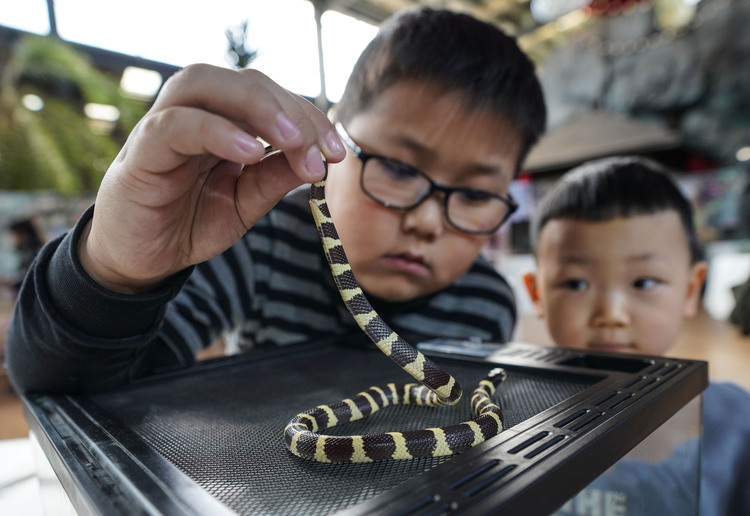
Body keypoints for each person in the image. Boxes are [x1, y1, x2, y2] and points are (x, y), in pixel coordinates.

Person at [6, 7, 546, 394]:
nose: (428, 223)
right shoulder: (254, 245)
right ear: (333, 139)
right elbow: (76, 391)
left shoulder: (488, 303)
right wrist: (114, 273)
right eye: (400, 168)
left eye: (476, 193)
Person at [522, 156, 750, 516]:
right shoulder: (503, 414)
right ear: (537, 294)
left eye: (644, 282)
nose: (611, 314)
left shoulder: (737, 424)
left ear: (691, 291)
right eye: (575, 283)